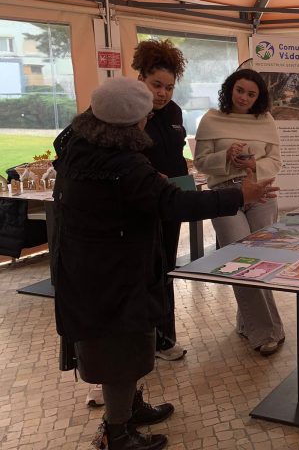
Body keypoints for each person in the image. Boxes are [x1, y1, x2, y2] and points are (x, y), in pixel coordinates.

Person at [51, 77, 278, 450]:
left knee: (124, 340)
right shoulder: (124, 163)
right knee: (120, 347)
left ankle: (129, 407)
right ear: (134, 121)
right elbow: (174, 204)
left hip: (90, 266)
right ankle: (116, 433)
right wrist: (239, 195)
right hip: (114, 273)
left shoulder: (77, 146)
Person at [193, 67, 285, 356]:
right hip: (224, 195)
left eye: (251, 94)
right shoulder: (211, 119)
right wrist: (226, 156)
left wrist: (254, 164)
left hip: (260, 193)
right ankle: (267, 332)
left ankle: (248, 322)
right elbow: (200, 162)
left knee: (261, 261)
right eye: (240, 90)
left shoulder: (266, 120)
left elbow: (276, 161)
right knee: (241, 261)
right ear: (230, 89)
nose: (244, 97)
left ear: (259, 97)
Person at [131, 39, 189, 362]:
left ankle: (164, 339)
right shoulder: (129, 112)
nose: (163, 93)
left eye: (169, 87)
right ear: (141, 78)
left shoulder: (174, 112)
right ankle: (142, 340)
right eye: (157, 85)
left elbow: (177, 154)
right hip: (141, 203)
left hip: (172, 199)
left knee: (166, 267)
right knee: (145, 272)